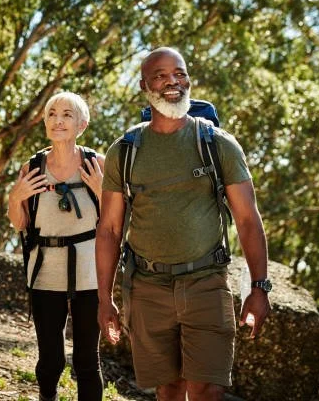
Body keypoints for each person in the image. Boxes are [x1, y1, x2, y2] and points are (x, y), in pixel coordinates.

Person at [96, 47, 271, 401]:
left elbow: (248, 218)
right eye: (160, 75)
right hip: (147, 287)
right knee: (169, 389)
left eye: (179, 73)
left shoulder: (217, 144)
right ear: (145, 86)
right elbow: (110, 229)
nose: (172, 81)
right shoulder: (125, 151)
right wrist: (104, 298)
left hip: (206, 282)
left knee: (207, 389)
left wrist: (260, 287)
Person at [8, 91, 105, 401]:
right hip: (45, 272)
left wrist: (103, 191)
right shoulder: (33, 166)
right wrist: (15, 197)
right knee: (50, 358)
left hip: (90, 275)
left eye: (66, 114)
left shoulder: (97, 164)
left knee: (87, 360)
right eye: (52, 114)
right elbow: (20, 223)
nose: (58, 120)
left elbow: (117, 221)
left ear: (82, 124)